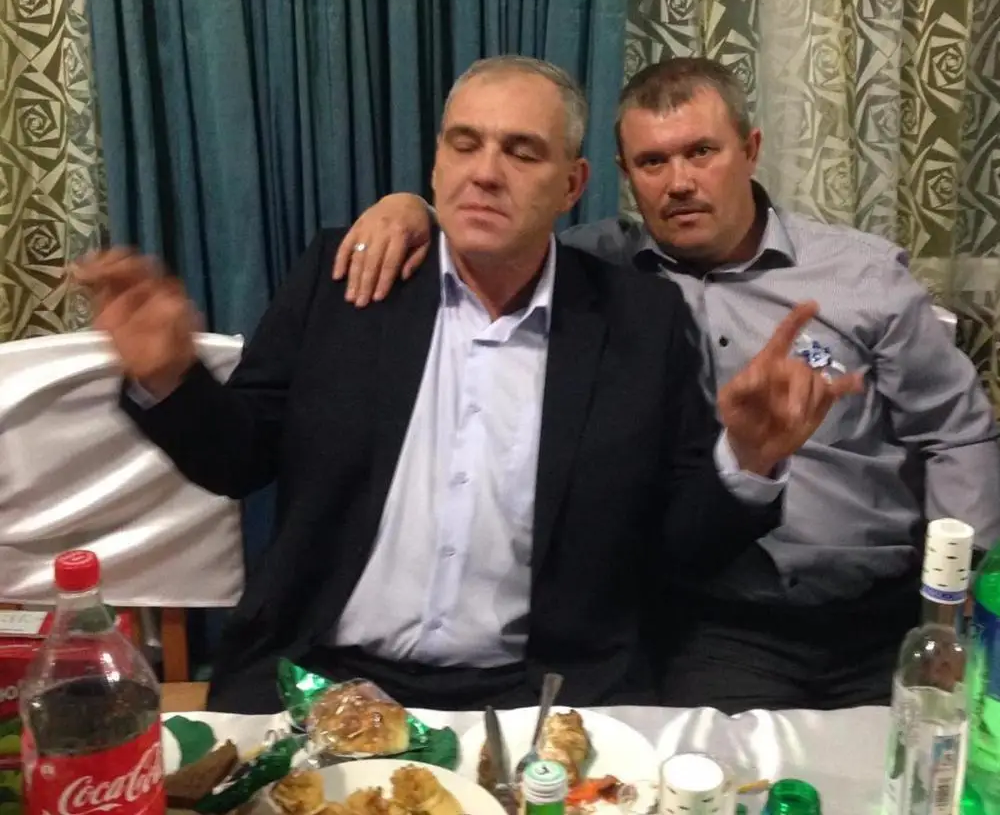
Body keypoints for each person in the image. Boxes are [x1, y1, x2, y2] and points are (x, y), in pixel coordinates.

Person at [76, 56, 857, 714]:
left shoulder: (639, 320)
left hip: (540, 700)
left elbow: (677, 547)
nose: (486, 172)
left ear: (573, 183)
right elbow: (237, 459)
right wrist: (170, 378)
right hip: (322, 682)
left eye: (522, 152)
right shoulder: (348, 281)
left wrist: (747, 460)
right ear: (436, 165)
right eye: (465, 144)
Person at [331, 56, 1000, 713]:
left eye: (701, 152)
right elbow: (498, 229)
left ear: (750, 150)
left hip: (885, 609)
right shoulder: (597, 276)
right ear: (623, 175)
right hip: (716, 621)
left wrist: (960, 597)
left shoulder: (861, 277)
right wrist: (409, 210)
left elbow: (956, 432)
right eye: (652, 162)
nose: (679, 183)